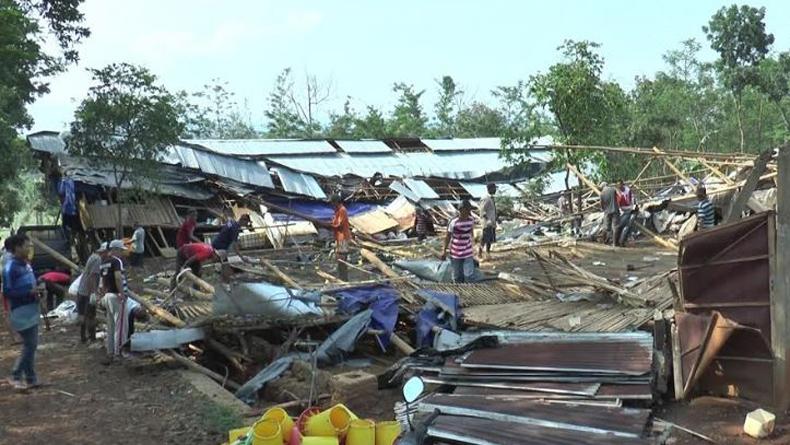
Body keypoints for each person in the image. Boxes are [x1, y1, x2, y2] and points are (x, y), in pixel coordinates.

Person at [2, 234, 41, 389]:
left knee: (31, 344)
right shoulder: (9, 267)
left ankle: (31, 378)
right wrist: (28, 292)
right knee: (30, 344)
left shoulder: (25, 264)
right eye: (26, 245)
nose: (29, 248)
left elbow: (30, 283)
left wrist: (37, 290)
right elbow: (7, 292)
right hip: (20, 310)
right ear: (17, 247)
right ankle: (15, 375)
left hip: (32, 307)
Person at [99, 240, 130, 362]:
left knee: (111, 325)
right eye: (121, 250)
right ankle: (119, 353)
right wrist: (121, 293)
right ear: (115, 250)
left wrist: (102, 295)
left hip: (107, 296)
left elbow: (102, 282)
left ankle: (110, 351)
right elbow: (118, 277)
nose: (122, 253)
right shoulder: (117, 261)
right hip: (116, 296)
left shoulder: (104, 262)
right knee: (121, 326)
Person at [76, 242, 107, 343]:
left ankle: (83, 337)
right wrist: (93, 293)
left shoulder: (93, 257)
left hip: (82, 290)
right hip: (87, 292)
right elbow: (92, 277)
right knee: (91, 315)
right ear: (104, 252)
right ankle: (92, 337)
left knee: (82, 314)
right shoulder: (98, 260)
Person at [442, 200, 476, 283]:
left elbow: (471, 233)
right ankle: (458, 291)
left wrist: (474, 245)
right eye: (466, 210)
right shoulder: (453, 222)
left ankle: (469, 292)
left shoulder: (471, 220)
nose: (468, 212)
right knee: (457, 276)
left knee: (469, 275)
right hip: (455, 253)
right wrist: (444, 251)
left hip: (468, 252)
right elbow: (448, 237)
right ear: (460, 210)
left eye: (469, 210)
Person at [328, 194, 353, 281]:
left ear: (336, 202)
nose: (332, 205)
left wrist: (329, 226)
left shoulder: (342, 210)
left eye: (332, 203)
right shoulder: (338, 211)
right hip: (339, 237)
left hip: (343, 237)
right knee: (339, 258)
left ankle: (343, 279)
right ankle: (341, 277)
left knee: (342, 259)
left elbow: (339, 225)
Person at [57, 175, 80, 242]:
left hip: (71, 212)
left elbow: (61, 193)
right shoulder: (65, 184)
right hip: (72, 212)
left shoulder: (64, 184)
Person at [478, 183, 497, 259]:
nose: (495, 190)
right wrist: (488, 219)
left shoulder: (491, 198)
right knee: (484, 238)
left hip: (491, 222)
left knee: (490, 239)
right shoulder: (485, 198)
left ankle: (488, 253)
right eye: (494, 188)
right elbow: (482, 210)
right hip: (487, 222)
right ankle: (480, 252)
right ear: (490, 189)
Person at [616, 180, 637, 246]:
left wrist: (632, 206)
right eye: (618, 186)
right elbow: (620, 206)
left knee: (628, 225)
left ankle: (622, 241)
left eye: (620, 185)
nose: (619, 187)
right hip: (624, 210)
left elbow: (632, 199)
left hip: (630, 209)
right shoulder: (618, 193)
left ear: (623, 184)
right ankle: (620, 241)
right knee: (623, 226)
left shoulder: (628, 190)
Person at [599, 182, 620, 246]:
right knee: (615, 227)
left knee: (605, 227)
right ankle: (614, 243)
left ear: (602, 187)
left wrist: (604, 209)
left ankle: (604, 242)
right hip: (615, 210)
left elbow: (601, 204)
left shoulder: (602, 193)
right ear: (606, 185)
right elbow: (619, 196)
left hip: (607, 212)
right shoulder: (613, 189)